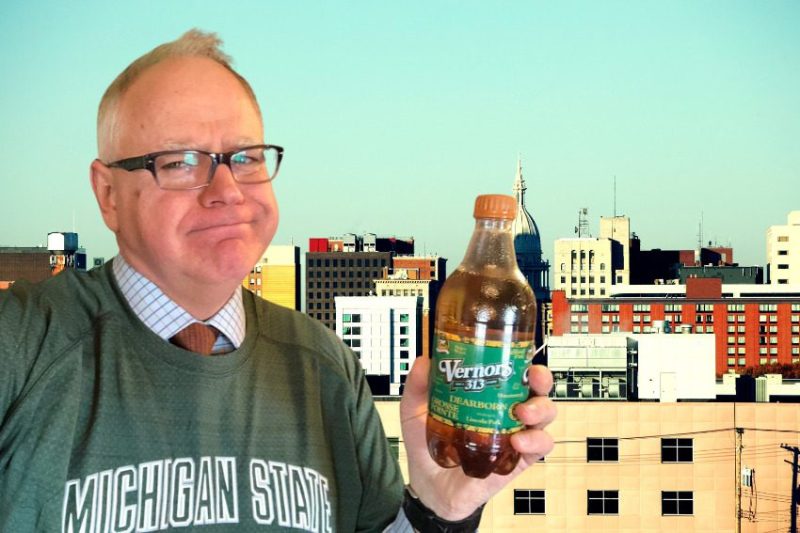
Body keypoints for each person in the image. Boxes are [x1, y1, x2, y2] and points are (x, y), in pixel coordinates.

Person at [0, 29, 556, 532]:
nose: (228, 191)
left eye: (245, 158)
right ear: (108, 194)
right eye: (180, 161)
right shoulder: (21, 345)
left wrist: (437, 508)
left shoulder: (325, 366)